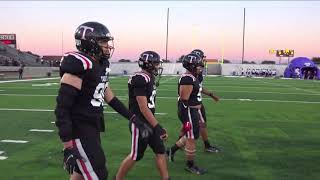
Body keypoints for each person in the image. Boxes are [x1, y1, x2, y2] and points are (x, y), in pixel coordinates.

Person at [55, 21, 134, 180]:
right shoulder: (80, 65)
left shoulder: (100, 64)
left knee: (80, 173)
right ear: (89, 43)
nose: (107, 46)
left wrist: (132, 117)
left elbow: (108, 95)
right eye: (103, 41)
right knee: (98, 173)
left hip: (92, 125)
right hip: (79, 129)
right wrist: (67, 146)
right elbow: (62, 109)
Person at [115, 51, 170, 180]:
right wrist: (157, 127)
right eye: (156, 64)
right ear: (148, 64)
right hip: (139, 123)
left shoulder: (149, 77)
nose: (158, 66)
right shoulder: (140, 78)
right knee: (136, 155)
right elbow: (143, 107)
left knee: (160, 151)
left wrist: (155, 125)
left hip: (150, 121)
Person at [167, 53, 207, 175]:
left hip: (192, 111)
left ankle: (171, 150)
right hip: (188, 111)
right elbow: (185, 99)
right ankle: (190, 165)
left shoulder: (192, 77)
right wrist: (193, 110)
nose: (200, 67)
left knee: (192, 134)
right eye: (198, 65)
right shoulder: (187, 78)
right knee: (191, 137)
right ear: (191, 66)